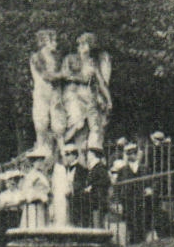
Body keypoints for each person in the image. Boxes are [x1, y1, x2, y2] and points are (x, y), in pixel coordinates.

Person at [59, 31, 112, 153]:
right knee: (78, 122)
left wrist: (109, 100)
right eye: (80, 44)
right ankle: (63, 144)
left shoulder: (92, 62)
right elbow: (64, 74)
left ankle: (94, 152)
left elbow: (101, 82)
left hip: (88, 94)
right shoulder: (70, 59)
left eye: (85, 44)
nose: (82, 47)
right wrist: (80, 78)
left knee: (96, 126)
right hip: (73, 92)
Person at [28, 29, 64, 161]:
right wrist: (64, 74)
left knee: (58, 120)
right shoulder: (37, 57)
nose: (56, 43)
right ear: (44, 42)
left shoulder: (56, 58)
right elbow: (46, 75)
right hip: (42, 91)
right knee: (41, 120)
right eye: (52, 40)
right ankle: (41, 147)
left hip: (54, 91)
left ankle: (61, 149)